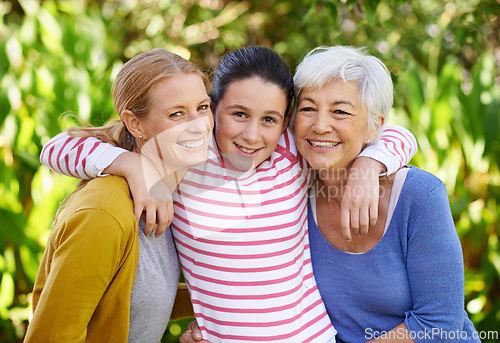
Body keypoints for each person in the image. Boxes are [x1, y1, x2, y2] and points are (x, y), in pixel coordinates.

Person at [39, 46, 417, 342]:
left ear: (283, 122)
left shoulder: (290, 155)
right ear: (212, 110)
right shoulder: (188, 157)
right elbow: (56, 148)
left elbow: (400, 136)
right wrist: (129, 164)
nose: (252, 135)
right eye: (238, 114)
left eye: (269, 119)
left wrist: (370, 165)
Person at [292, 46, 479, 342]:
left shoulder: (419, 196)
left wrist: (368, 165)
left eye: (340, 111)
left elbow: (440, 324)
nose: (320, 125)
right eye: (308, 108)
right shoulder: (293, 193)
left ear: (375, 126)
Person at [25, 49, 213, 342]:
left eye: (203, 107)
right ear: (135, 124)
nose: (199, 125)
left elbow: (132, 298)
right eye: (177, 113)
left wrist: (222, 305)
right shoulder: (103, 214)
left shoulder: (172, 182)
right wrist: (131, 164)